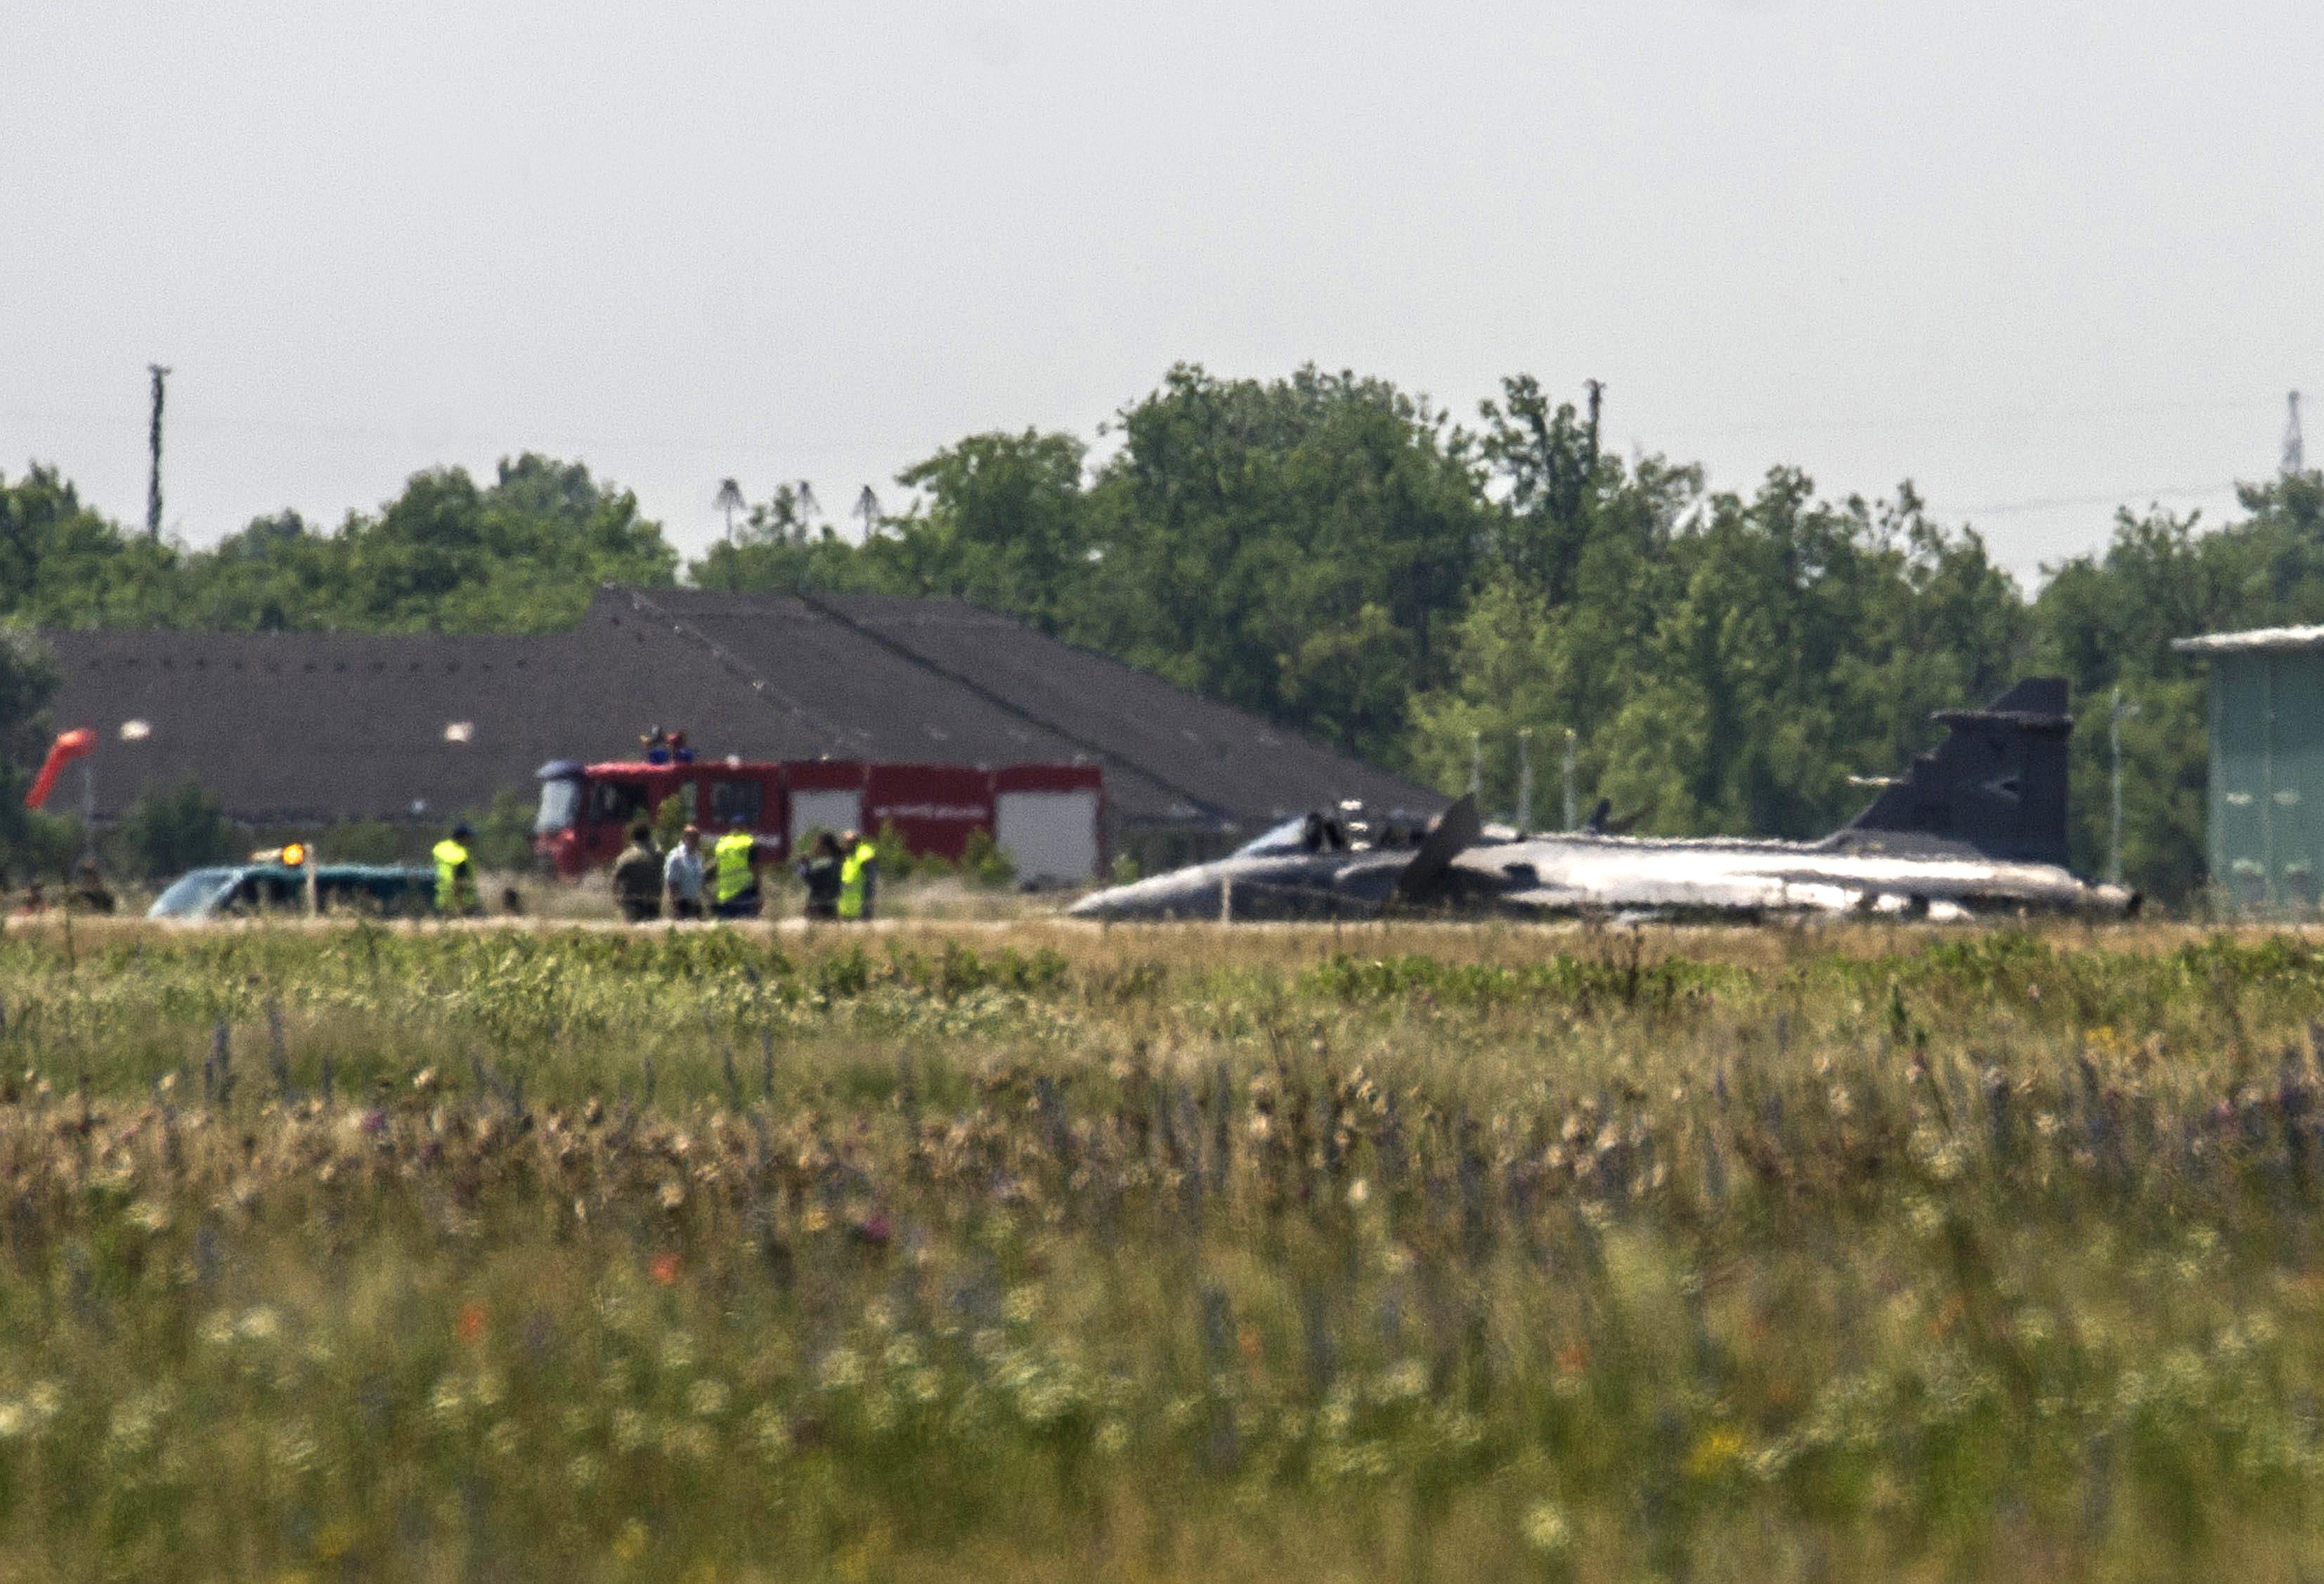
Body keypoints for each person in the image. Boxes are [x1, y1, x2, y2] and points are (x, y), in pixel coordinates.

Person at [711, 817, 765, 919]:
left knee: (726, 930)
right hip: (744, 892)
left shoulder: (722, 844)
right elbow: (755, 869)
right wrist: (758, 893)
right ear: (745, 827)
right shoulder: (748, 842)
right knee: (746, 929)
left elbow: (716, 865)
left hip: (725, 894)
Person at [610, 821, 661, 923]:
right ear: (649, 836)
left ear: (633, 837)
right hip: (653, 901)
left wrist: (617, 899)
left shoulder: (627, 857)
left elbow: (615, 880)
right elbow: (661, 880)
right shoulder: (658, 856)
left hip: (632, 902)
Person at [432, 822, 481, 918]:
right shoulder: (461, 856)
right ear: (463, 837)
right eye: (469, 836)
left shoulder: (444, 848)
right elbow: (458, 882)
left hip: (444, 899)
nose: (471, 839)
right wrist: (461, 906)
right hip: (461, 902)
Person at [797, 830, 843, 920]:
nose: (814, 847)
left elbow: (809, 878)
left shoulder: (825, 863)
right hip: (832, 906)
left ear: (824, 847)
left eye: (817, 844)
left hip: (819, 908)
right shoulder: (836, 861)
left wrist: (802, 865)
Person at [664, 824, 706, 920]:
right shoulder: (677, 857)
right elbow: (671, 882)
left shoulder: (698, 857)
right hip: (681, 903)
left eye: (697, 837)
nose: (696, 840)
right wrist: (676, 906)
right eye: (692, 837)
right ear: (685, 838)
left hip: (695, 902)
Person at [837, 829, 879, 922]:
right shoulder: (847, 857)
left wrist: (867, 908)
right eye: (845, 842)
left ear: (857, 842)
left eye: (849, 842)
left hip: (861, 911)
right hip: (846, 910)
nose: (845, 845)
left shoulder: (864, 854)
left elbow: (870, 883)